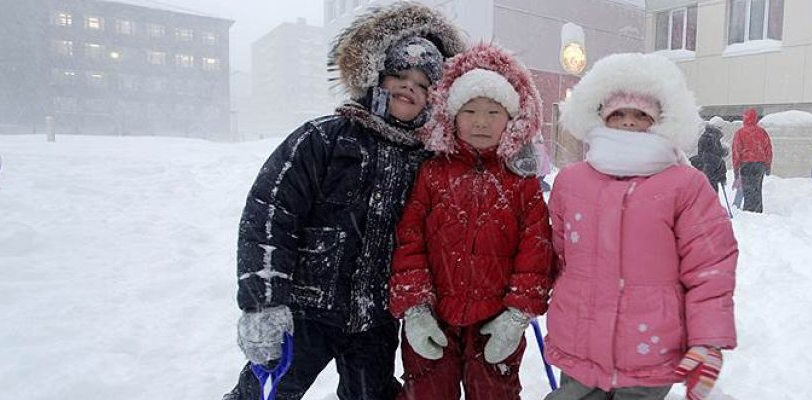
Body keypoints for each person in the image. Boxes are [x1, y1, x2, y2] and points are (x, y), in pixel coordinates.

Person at [223, 4, 465, 400]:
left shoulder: (429, 161)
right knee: (266, 392)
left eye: (423, 85)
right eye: (399, 76)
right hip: (304, 312)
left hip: (375, 319)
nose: (409, 88)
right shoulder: (324, 139)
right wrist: (263, 302)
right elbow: (269, 215)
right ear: (375, 76)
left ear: (434, 99)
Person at [544, 52, 738, 400]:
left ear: (661, 119)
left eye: (640, 114)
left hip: (649, 348)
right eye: (618, 113)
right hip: (579, 341)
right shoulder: (571, 182)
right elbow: (555, 256)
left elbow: (710, 269)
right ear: (600, 116)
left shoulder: (684, 185)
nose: (629, 122)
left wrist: (708, 341)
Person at [387, 43, 553, 400]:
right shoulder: (432, 173)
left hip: (495, 321)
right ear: (452, 116)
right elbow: (409, 239)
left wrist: (518, 314)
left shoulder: (521, 182)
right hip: (434, 318)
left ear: (511, 119)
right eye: (470, 110)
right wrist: (415, 307)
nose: (480, 121)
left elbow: (536, 248)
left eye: (493, 111)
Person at [731, 109, 771, 213]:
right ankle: (758, 210)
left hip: (746, 164)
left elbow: (736, 151)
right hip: (760, 164)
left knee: (747, 189)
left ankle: (749, 210)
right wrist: (767, 165)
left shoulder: (740, 133)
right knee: (757, 188)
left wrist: (736, 169)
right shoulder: (762, 132)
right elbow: (768, 150)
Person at [689, 124, 728, 192]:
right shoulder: (717, 159)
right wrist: (722, 179)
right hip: (711, 177)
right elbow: (721, 170)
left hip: (702, 176)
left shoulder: (704, 137)